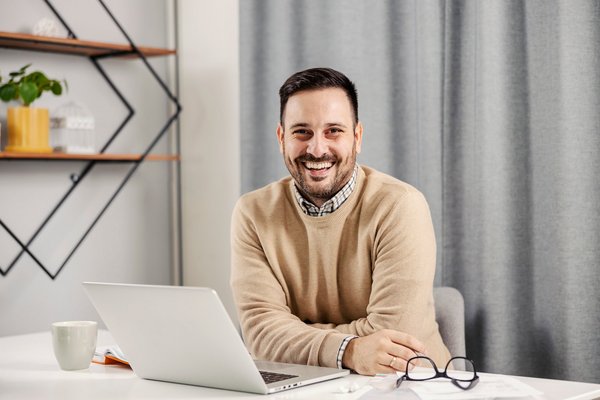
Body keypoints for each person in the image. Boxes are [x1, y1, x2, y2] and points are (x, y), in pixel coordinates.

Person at [230, 67, 451, 376]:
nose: (317, 149)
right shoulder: (252, 212)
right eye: (301, 132)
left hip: (410, 385)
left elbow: (392, 337)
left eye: (333, 130)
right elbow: (260, 335)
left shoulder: (400, 206)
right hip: (307, 386)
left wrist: (296, 333)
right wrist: (351, 350)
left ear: (357, 137)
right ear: (281, 138)